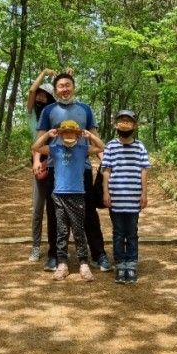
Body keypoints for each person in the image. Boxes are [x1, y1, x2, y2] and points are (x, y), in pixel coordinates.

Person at [37, 71, 112, 273]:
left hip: (82, 169)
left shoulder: (85, 110)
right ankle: (54, 254)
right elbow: (40, 138)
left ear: (74, 87)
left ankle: (98, 254)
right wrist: (37, 161)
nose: (65, 89)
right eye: (60, 86)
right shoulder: (48, 111)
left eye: (68, 85)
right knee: (54, 213)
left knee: (88, 213)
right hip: (56, 168)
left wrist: (105, 164)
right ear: (55, 90)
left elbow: (95, 139)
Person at [32, 120, 105, 281]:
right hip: (58, 195)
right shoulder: (55, 149)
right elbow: (36, 148)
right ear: (60, 134)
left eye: (72, 132)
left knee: (79, 231)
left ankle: (83, 263)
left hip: (78, 195)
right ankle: (62, 263)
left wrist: (90, 135)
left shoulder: (82, 149)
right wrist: (47, 135)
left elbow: (101, 148)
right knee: (62, 231)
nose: (69, 135)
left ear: (78, 135)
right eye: (65, 132)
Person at [101, 110, 150, 284]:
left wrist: (144, 194)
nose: (124, 124)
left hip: (133, 198)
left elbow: (144, 171)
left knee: (132, 232)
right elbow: (106, 171)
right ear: (116, 125)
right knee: (118, 233)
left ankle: (131, 263)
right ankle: (120, 263)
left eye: (128, 121)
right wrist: (105, 192)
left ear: (134, 126)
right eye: (121, 121)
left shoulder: (140, 147)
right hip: (115, 198)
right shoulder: (110, 146)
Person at [26, 69, 56, 262]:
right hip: (38, 161)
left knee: (55, 207)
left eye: (46, 95)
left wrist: (60, 78)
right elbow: (30, 92)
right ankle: (36, 246)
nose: (41, 97)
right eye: (40, 94)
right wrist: (44, 74)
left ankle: (55, 247)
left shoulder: (54, 114)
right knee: (38, 208)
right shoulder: (32, 115)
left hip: (56, 160)